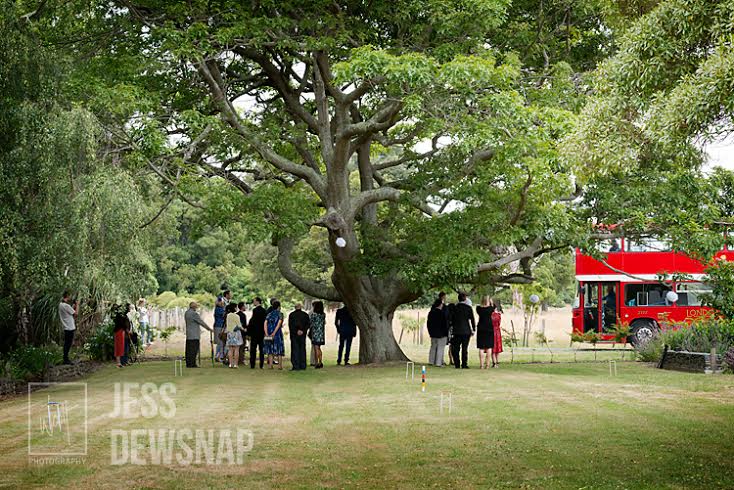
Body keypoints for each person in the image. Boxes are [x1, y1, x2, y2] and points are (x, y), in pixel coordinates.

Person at [450, 293, 475, 369]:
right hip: (466, 331)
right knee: (465, 348)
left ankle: (457, 363)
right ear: (465, 299)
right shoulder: (468, 308)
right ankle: (464, 364)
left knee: (456, 348)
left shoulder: (454, 308)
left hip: (456, 331)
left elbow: (451, 319)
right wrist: (473, 329)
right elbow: (472, 319)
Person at [184, 301, 213, 368]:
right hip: (194, 334)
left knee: (188, 349)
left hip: (189, 334)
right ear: (194, 307)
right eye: (196, 306)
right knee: (194, 349)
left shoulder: (187, 313)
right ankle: (192, 363)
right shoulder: (194, 314)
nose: (197, 307)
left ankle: (188, 363)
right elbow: (201, 322)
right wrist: (209, 328)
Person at [288, 303, 310, 371]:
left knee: (295, 349)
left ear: (295, 307)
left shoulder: (292, 315)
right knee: (302, 349)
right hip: (302, 335)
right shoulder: (305, 315)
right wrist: (302, 330)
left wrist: (296, 331)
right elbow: (308, 324)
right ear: (301, 307)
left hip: (294, 335)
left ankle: (296, 365)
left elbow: (291, 325)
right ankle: (303, 365)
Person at [427, 299, 449, 367]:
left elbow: (428, 323)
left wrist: (430, 332)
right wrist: (446, 333)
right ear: (440, 304)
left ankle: (431, 361)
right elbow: (445, 324)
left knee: (433, 347)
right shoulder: (442, 313)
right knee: (440, 348)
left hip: (433, 333)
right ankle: (438, 363)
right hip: (441, 334)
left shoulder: (431, 313)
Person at [264, 300, 285, 369]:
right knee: (279, 348)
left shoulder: (269, 314)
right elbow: (279, 324)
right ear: (279, 307)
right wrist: (274, 332)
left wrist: (266, 333)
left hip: (269, 332)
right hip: (277, 333)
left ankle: (270, 365)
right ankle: (280, 365)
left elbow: (265, 324)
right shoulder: (280, 314)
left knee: (270, 349)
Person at [476, 296, 495, 369]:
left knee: (481, 347)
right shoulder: (490, 308)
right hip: (489, 328)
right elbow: (493, 307)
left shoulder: (478, 308)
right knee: (489, 347)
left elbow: (480, 308)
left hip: (481, 328)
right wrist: (491, 302)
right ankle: (487, 364)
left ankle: (481, 365)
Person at [59, 291, 78, 365]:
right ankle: (66, 359)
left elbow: (70, 311)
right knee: (68, 344)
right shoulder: (66, 306)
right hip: (69, 327)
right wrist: (77, 305)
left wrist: (73, 306)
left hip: (66, 327)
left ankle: (65, 358)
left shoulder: (61, 305)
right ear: (67, 296)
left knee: (66, 344)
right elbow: (76, 314)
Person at [213, 290, 231, 362]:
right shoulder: (218, 309)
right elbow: (224, 315)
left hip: (222, 326)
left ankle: (221, 356)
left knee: (222, 342)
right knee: (220, 342)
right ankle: (218, 356)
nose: (222, 303)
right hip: (218, 326)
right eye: (221, 302)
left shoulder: (221, 308)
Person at [249, 297, 266, 369]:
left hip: (255, 332)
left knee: (253, 349)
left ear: (257, 302)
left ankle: (252, 364)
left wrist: (249, 331)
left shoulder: (255, 310)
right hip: (262, 332)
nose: (253, 302)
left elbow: (252, 321)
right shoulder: (264, 310)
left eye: (254, 301)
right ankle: (261, 364)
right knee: (261, 349)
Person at [226, 303, 244, 368]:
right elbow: (239, 325)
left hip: (229, 333)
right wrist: (244, 329)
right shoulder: (237, 316)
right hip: (236, 333)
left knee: (230, 349)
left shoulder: (228, 315)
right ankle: (236, 364)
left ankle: (230, 364)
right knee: (236, 349)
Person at [309, 301, 326, 369]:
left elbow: (311, 323)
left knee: (316, 348)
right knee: (319, 348)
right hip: (321, 333)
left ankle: (316, 363)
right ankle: (320, 361)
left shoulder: (314, 314)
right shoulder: (323, 315)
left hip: (315, 333)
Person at [491, 300, 504, 368]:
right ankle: (497, 361)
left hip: (491, 331)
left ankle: (494, 362)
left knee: (493, 347)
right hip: (497, 331)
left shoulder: (490, 315)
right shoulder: (498, 315)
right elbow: (499, 323)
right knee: (497, 347)